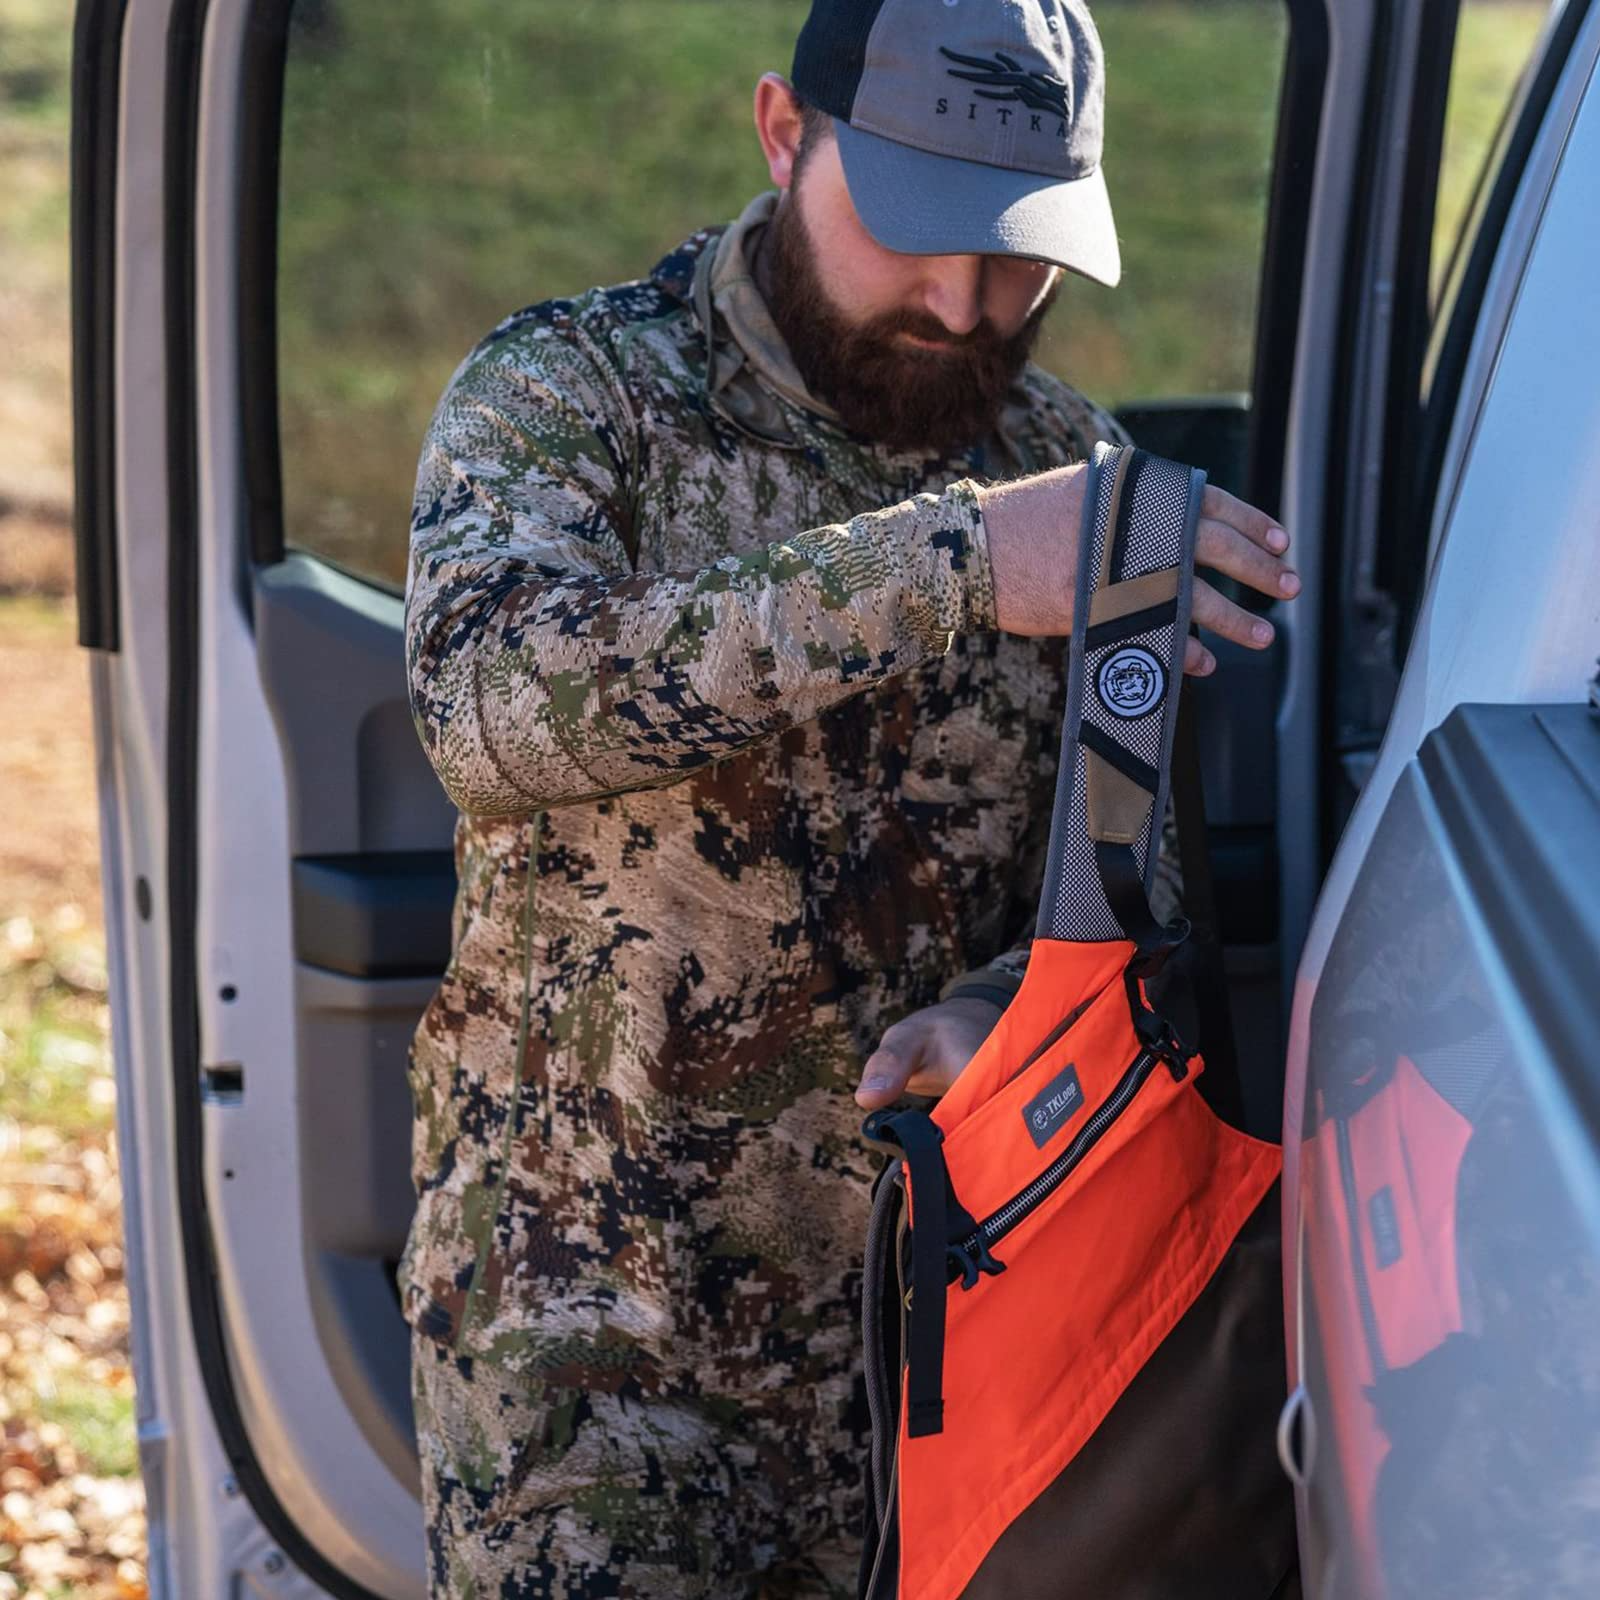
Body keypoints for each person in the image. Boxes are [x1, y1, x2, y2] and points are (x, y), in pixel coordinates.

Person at [399, 0, 1300, 1593]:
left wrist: (1003, 1011)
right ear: (782, 133)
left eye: (1015, 256)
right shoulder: (574, 395)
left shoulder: (1075, 467)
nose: (962, 304)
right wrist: (961, 562)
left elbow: (1128, 885)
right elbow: (488, 713)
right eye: (915, 229)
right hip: (594, 1359)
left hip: (944, 1357)